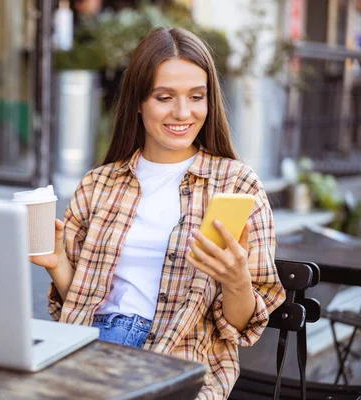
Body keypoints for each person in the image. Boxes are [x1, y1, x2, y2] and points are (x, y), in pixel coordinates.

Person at [32, 26, 286, 399]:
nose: (183, 112)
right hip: (89, 351)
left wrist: (236, 281)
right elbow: (79, 308)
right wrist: (57, 264)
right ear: (138, 101)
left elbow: (240, 328)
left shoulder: (237, 184)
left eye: (196, 97)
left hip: (177, 361)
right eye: (164, 97)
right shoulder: (98, 184)